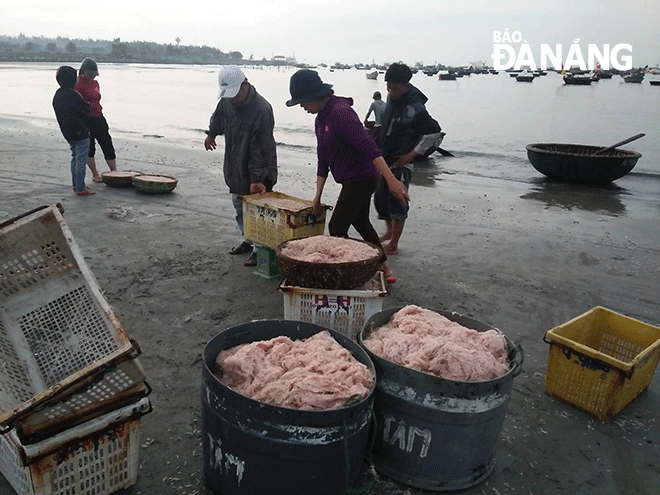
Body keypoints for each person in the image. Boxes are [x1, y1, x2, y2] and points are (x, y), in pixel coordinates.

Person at [286, 69, 409, 284]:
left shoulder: (341, 112)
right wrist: (317, 196)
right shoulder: (321, 118)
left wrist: (391, 180)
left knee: (337, 228)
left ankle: (352, 267)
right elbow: (322, 158)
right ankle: (383, 266)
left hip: (362, 178)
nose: (302, 106)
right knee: (361, 222)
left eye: (302, 102)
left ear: (314, 96)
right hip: (351, 179)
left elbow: (369, 146)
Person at [204, 66, 277, 267]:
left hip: (259, 170)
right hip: (235, 164)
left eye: (235, 93)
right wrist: (211, 133)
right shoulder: (227, 101)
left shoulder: (262, 109)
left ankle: (259, 249)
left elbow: (261, 149)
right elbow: (218, 117)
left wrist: (257, 179)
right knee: (239, 207)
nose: (232, 98)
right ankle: (248, 239)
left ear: (245, 85)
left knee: (258, 212)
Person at [375, 62, 443, 255]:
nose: (390, 91)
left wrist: (411, 155)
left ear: (407, 84)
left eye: (395, 88)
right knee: (380, 197)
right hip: (386, 155)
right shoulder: (392, 97)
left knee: (398, 201)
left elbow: (434, 133)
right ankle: (389, 232)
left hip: (401, 160)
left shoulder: (416, 106)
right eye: (388, 87)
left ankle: (394, 244)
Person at [52, 66, 95, 196]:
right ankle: (80, 187)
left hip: (67, 132)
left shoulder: (58, 94)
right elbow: (86, 110)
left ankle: (77, 184)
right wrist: (88, 104)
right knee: (81, 159)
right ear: (71, 79)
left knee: (75, 158)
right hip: (80, 131)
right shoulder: (73, 94)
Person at [75, 58, 117, 182]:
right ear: (83, 71)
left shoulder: (95, 83)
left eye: (94, 74)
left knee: (107, 143)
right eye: (90, 74)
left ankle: (114, 172)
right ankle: (95, 174)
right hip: (85, 119)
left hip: (98, 116)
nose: (92, 77)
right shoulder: (77, 83)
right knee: (90, 147)